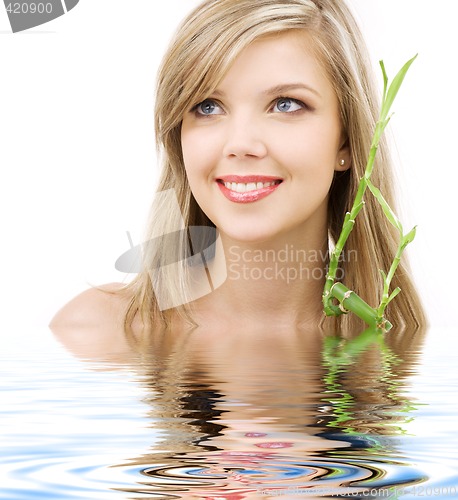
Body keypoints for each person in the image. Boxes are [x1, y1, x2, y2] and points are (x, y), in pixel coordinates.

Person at [50, 0, 426, 337]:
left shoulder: (394, 337)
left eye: (286, 104)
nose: (241, 144)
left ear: (344, 140)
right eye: (208, 106)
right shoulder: (93, 333)